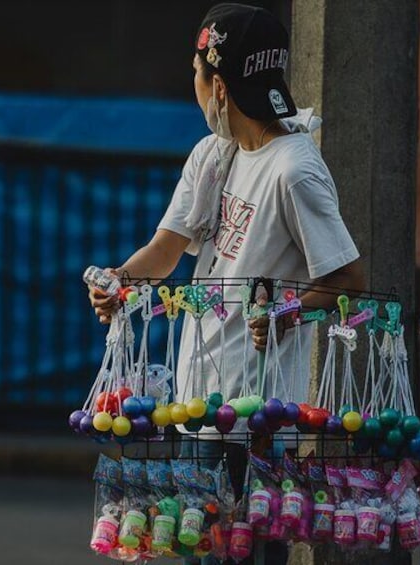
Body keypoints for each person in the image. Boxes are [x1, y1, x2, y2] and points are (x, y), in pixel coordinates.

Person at [89, 4, 362, 563]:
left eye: (196, 74)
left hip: (258, 415)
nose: (192, 86)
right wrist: (119, 282)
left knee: (245, 553)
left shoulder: (294, 168)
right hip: (199, 404)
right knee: (201, 548)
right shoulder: (212, 155)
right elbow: (165, 251)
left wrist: (286, 312)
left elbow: (347, 279)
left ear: (220, 84)